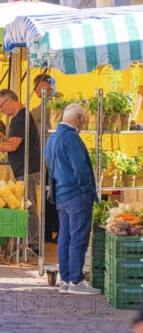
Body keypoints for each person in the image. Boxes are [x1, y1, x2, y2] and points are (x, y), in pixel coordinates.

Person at [45, 104, 101, 295]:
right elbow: (81, 170)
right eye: (83, 121)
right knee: (79, 237)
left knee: (65, 237)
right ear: (77, 119)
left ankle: (66, 280)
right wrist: (87, 191)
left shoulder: (52, 138)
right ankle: (76, 281)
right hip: (77, 195)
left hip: (61, 195)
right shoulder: (72, 138)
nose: (83, 125)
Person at [0, 89, 40, 253]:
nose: (0, 110)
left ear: (10, 101)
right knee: (26, 204)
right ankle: (30, 240)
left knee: (29, 205)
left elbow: (12, 145)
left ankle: (35, 244)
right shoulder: (17, 118)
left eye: (0, 105)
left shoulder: (21, 118)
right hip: (23, 168)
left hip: (29, 168)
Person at [31, 73, 63, 244]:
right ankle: (49, 231)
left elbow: (35, 116)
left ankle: (55, 231)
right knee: (48, 192)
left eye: (35, 87)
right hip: (49, 153)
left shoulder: (53, 100)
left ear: (43, 84)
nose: (34, 92)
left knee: (52, 192)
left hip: (52, 154)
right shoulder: (49, 99)